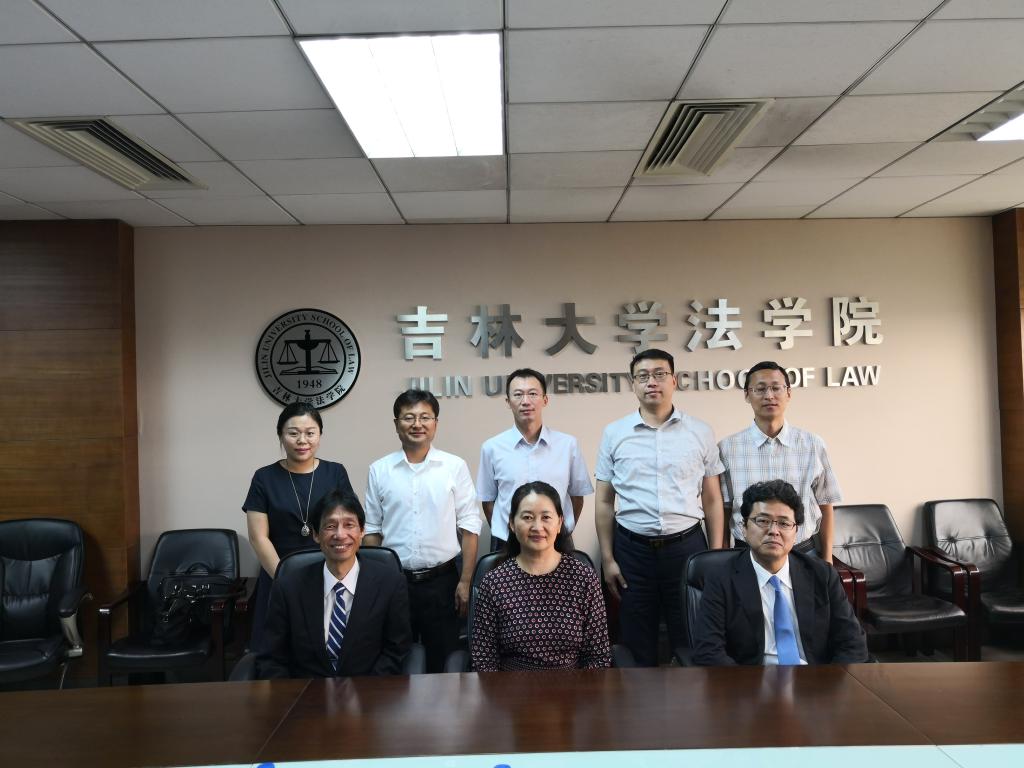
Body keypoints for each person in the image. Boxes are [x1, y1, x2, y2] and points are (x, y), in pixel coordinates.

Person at [595, 348, 725, 666]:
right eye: (643, 376)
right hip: (633, 552)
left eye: (659, 374)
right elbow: (604, 501)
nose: (651, 382)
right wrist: (608, 559)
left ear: (674, 380)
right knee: (636, 639)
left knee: (691, 636)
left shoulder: (700, 431)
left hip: (686, 548)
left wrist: (715, 556)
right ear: (633, 384)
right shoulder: (614, 433)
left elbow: (712, 499)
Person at [364, 389, 481, 672]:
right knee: (395, 660)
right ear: (396, 424)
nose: (417, 424)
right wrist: (374, 581)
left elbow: (469, 526)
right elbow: (371, 530)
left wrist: (465, 581)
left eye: (425, 417)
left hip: (442, 582)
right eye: (409, 417)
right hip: (394, 581)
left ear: (435, 423)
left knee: (443, 663)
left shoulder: (454, 466)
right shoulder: (380, 470)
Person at [692, 480, 867, 666]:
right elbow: (708, 651)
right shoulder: (721, 578)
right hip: (750, 680)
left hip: (814, 678)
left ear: (795, 532)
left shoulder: (822, 575)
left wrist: (827, 681)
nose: (773, 531)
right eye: (763, 521)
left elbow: (852, 643)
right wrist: (748, 684)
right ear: (744, 528)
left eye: (784, 523)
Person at [256, 490, 411, 678]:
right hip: (306, 692)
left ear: (362, 531)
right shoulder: (288, 586)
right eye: (330, 526)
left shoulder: (390, 583)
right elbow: (272, 658)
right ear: (316, 534)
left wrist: (365, 691)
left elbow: (396, 651)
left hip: (367, 691)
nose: (340, 534)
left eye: (349, 525)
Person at [243, 401, 354, 650]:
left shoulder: (335, 473)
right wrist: (285, 580)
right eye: (293, 433)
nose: (302, 440)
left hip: (328, 576)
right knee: (277, 653)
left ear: (320, 435)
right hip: (278, 575)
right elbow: (258, 538)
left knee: (327, 650)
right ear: (281, 436)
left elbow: (348, 527)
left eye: (310, 433)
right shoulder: (264, 478)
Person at [471, 481, 610, 671]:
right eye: (527, 517)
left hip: (572, 686)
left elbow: (598, 656)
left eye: (546, 517)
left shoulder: (583, 578)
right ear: (512, 523)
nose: (537, 527)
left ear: (559, 523)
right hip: (511, 686)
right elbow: (484, 660)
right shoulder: (494, 583)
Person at [718, 361, 841, 561]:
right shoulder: (727, 448)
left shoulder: (812, 444)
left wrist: (827, 561)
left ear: (788, 393)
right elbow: (724, 511)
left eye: (776, 388)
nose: (769, 395)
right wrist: (721, 561)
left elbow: (825, 504)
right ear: (747, 395)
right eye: (760, 389)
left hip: (802, 553)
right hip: (747, 555)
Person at [477, 368, 593, 551]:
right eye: (518, 394)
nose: (525, 401)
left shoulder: (567, 445)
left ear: (545, 400)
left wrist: (560, 530)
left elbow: (577, 497)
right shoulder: (491, 448)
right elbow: (488, 501)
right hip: (507, 541)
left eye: (532, 394)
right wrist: (510, 533)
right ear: (508, 402)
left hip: (556, 540)